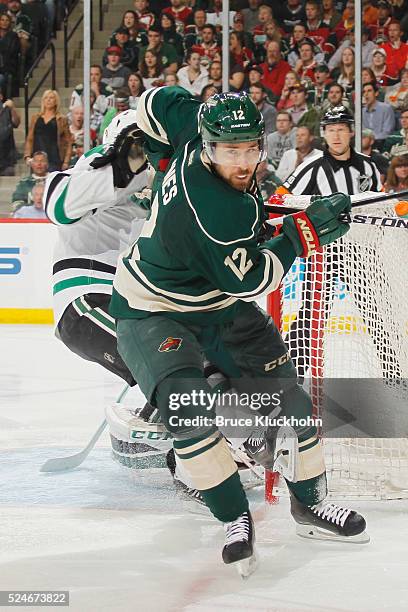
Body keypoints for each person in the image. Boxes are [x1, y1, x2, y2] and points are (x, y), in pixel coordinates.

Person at [110, 87, 367, 576]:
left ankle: (310, 506)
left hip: (216, 304)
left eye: (252, 146)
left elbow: (154, 100)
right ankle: (234, 517)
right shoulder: (215, 211)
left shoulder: (193, 124)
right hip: (152, 308)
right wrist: (304, 233)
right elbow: (253, 278)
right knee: (188, 408)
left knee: (289, 399)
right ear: (207, 147)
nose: (245, 160)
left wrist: (156, 150)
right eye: (232, 151)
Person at [43, 110, 155, 465]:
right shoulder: (102, 164)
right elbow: (59, 203)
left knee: (181, 359)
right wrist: (123, 166)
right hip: (86, 301)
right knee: (168, 365)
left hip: (121, 299)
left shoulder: (154, 181)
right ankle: (191, 462)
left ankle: (154, 439)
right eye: (138, 143)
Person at [280, 106, 384, 378]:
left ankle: (393, 370)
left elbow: (381, 203)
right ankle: (293, 371)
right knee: (313, 311)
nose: (336, 136)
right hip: (323, 252)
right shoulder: (312, 167)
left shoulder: (369, 166)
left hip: (362, 253)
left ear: (351, 132)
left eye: (341, 129)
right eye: (330, 130)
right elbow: (281, 198)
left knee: (375, 311)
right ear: (323, 134)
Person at [24, 90, 72, 172]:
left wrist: (66, 161)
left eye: (51, 98)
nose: (48, 100)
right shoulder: (35, 118)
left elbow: (69, 142)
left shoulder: (61, 119)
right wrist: (27, 156)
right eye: (46, 98)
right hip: (38, 158)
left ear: (56, 101)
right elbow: (30, 139)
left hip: (54, 158)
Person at [362, 81, 396, 149]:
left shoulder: (386, 108)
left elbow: (387, 131)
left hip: (382, 143)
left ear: (376, 93)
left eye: (369, 91)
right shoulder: (361, 111)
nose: (366, 94)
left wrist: (371, 139)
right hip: (365, 144)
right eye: (364, 92)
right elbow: (362, 131)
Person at [0, 90, 19, 175]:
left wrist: (13, 108)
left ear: (1, 97)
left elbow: (16, 123)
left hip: (7, 157)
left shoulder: (7, 109)